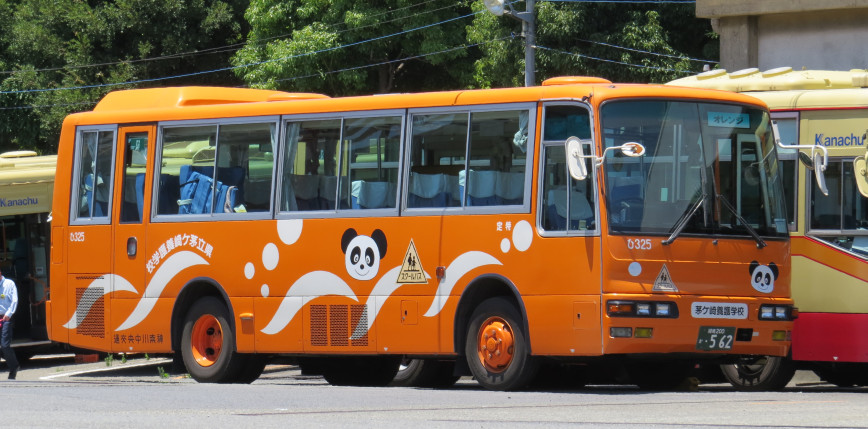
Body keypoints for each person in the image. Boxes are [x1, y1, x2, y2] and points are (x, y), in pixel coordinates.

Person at [0, 268, 19, 380]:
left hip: (6, 318)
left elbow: (14, 300)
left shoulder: (9, 284)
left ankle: (14, 367)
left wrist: (9, 314)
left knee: (5, 346)